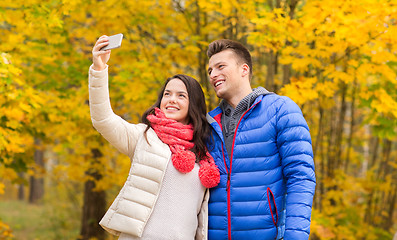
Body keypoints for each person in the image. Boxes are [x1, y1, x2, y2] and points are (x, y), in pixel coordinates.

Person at [88, 35, 220, 240]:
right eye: (167, 94)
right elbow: (102, 119)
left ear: (193, 103)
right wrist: (99, 69)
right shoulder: (144, 137)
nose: (171, 100)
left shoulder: (204, 151)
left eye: (181, 95)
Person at [205, 39, 316, 240]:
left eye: (220, 66)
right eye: (210, 70)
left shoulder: (281, 110)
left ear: (243, 69)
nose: (213, 75)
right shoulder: (208, 123)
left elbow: (301, 177)